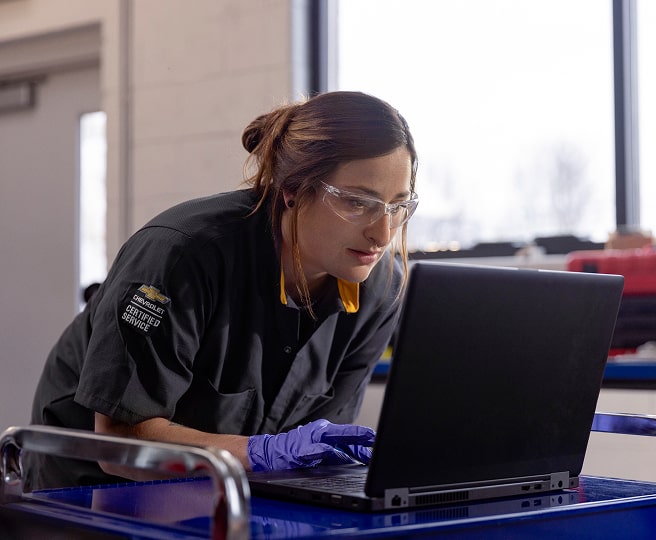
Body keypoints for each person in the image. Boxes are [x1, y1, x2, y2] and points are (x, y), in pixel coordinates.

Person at [27, 91, 419, 490]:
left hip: (230, 496)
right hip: (87, 493)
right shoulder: (181, 255)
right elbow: (119, 441)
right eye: (357, 203)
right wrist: (261, 454)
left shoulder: (379, 289)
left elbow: (321, 448)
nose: (382, 233)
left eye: (398, 206)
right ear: (292, 189)